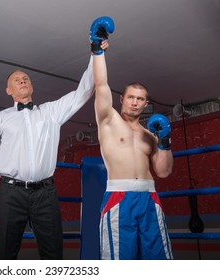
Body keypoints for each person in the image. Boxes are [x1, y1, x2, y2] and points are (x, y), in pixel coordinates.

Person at [0, 35, 99, 260]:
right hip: (10, 193)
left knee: (53, 255)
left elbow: (84, 91)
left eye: (26, 78)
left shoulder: (51, 112)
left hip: (45, 194)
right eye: (17, 80)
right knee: (5, 253)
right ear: (8, 90)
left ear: (31, 85)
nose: (23, 81)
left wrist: (96, 54)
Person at [90, 17, 174, 259]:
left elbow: (164, 171)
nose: (135, 102)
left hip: (150, 198)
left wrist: (166, 141)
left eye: (140, 99)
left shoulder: (150, 135)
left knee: (159, 261)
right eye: (131, 97)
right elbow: (101, 84)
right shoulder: (109, 120)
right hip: (120, 197)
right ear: (122, 99)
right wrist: (97, 49)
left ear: (146, 104)